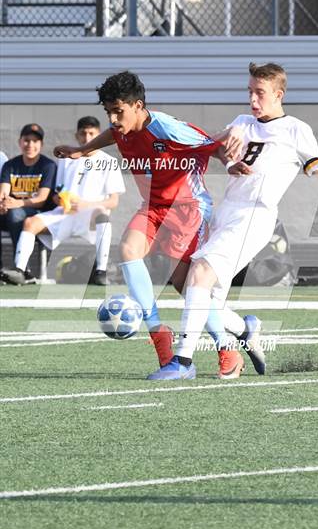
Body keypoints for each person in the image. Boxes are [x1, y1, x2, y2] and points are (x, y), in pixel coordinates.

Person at [147, 62, 318, 381]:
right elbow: (210, 149)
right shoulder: (242, 122)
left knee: (199, 275)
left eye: (260, 93)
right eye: (250, 92)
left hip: (255, 215)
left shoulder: (295, 129)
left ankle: (182, 362)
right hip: (226, 212)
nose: (253, 99)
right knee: (204, 298)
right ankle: (245, 329)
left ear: (279, 94)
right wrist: (227, 144)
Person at [53, 71, 263, 372]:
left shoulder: (167, 128)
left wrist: (229, 163)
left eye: (118, 111)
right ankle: (159, 335)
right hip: (153, 207)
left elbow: (210, 144)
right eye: (108, 111)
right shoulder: (121, 128)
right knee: (127, 250)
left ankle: (229, 346)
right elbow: (115, 134)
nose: (113, 118)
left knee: (186, 285)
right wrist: (80, 151)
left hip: (188, 209)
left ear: (138, 106)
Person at [4, 116, 125, 286]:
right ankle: (20, 270)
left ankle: (101, 271)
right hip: (65, 214)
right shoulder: (67, 159)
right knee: (30, 222)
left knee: (103, 214)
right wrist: (60, 200)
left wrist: (86, 205)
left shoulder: (109, 162)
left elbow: (113, 201)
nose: (87, 138)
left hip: (90, 215)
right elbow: (57, 193)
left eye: (92, 133)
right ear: (77, 136)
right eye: (83, 133)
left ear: (99, 135)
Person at [0, 124, 56, 279]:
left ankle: (23, 268)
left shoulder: (48, 166)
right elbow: (3, 192)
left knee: (16, 214)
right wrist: (3, 204)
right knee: (12, 213)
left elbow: (40, 200)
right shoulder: (10, 165)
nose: (30, 145)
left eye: (35, 141)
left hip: (38, 215)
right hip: (12, 211)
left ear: (41, 144)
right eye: (26, 140)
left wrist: (15, 204)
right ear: (20, 142)